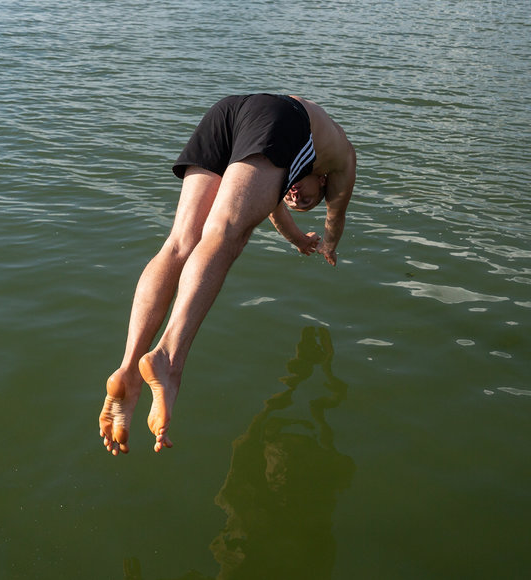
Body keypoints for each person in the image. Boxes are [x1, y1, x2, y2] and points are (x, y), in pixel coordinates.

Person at [98, 94, 356, 455]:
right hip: (281, 117)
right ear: (324, 180)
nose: (297, 198)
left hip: (229, 112)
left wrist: (298, 238)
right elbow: (336, 216)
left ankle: (128, 371)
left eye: (301, 202)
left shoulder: (288, 168)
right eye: (307, 197)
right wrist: (329, 245)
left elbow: (272, 204)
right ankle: (168, 362)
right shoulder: (340, 158)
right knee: (223, 235)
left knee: (180, 242)